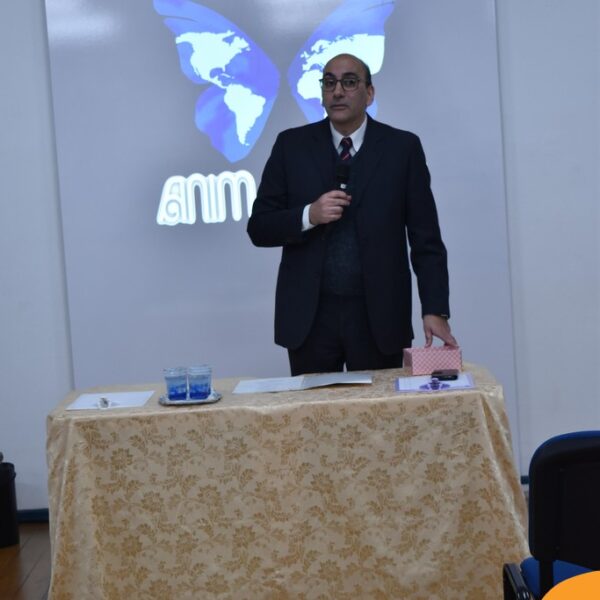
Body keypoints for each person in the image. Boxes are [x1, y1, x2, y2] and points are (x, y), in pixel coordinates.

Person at [247, 53, 457, 375]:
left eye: (349, 82)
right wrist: (309, 215)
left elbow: (425, 239)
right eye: (329, 83)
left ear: (369, 93)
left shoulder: (402, 149)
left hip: (379, 317)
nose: (337, 91)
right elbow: (259, 227)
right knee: (315, 409)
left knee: (379, 409)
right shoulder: (291, 146)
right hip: (310, 319)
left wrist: (435, 309)